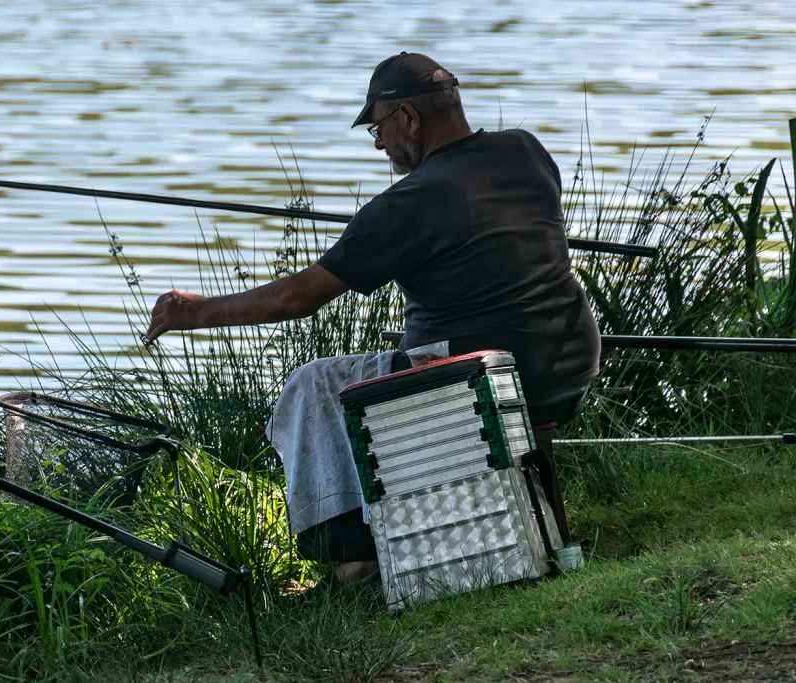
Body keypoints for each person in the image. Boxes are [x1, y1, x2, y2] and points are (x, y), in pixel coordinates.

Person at [144, 52, 600, 588]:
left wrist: (193, 312)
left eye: (378, 127)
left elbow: (298, 299)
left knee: (312, 385)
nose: (379, 143)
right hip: (565, 367)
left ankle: (356, 559)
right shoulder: (526, 151)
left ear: (408, 117)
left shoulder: (408, 203)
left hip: (483, 380)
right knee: (390, 358)